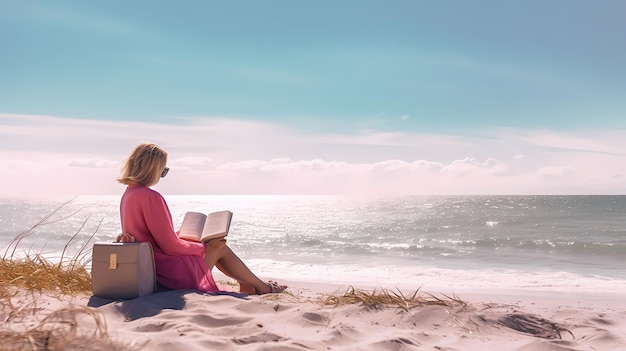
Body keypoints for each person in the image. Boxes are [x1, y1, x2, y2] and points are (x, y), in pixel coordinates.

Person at [116, 143, 286, 295]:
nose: (162, 175)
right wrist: (204, 247)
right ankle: (262, 288)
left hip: (151, 268)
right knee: (220, 248)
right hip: (165, 273)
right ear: (152, 169)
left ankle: (251, 286)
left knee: (212, 246)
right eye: (163, 171)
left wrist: (182, 236)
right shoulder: (150, 197)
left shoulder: (129, 194)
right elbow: (170, 246)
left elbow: (149, 237)